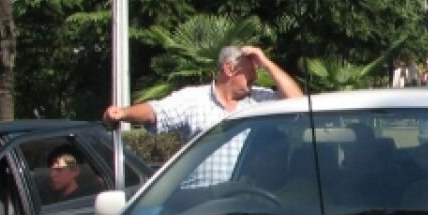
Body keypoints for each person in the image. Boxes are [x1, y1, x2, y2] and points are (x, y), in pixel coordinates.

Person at [102, 45, 303, 142]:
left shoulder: (259, 99)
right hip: (201, 206)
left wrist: (266, 62)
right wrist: (123, 113)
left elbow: (298, 103)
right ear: (229, 69)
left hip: (249, 201)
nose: (255, 78)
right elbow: (156, 112)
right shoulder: (194, 99)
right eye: (250, 72)